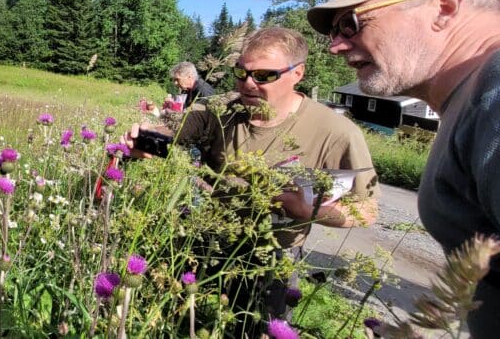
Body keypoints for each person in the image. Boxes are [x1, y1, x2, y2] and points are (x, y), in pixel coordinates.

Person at [124, 27, 379, 322]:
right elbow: (177, 131)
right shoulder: (220, 109)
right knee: (175, 317)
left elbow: (367, 209)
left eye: (264, 76)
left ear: (298, 73)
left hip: (271, 258)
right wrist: (144, 137)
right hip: (206, 241)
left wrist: (308, 211)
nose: (247, 84)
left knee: (256, 327)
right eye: (240, 72)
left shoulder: (336, 133)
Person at [307, 0, 500, 335]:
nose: (336, 46)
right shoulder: (473, 98)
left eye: (351, 23)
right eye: (334, 33)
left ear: (444, 7)